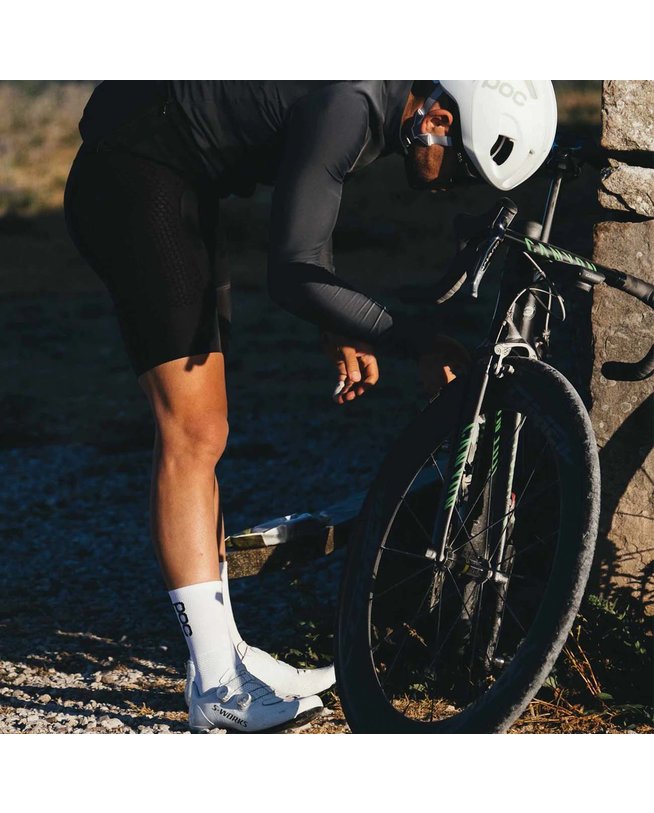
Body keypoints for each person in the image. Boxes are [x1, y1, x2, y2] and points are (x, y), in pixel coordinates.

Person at [64, 80, 557, 733]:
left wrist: (335, 318)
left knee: (205, 428)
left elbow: (306, 220)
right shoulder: (353, 101)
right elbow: (293, 271)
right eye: (461, 167)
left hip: (172, 177)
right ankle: (216, 684)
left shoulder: (371, 98)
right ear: (439, 116)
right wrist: (421, 342)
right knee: (194, 432)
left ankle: (227, 654)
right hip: (137, 173)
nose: (450, 187)